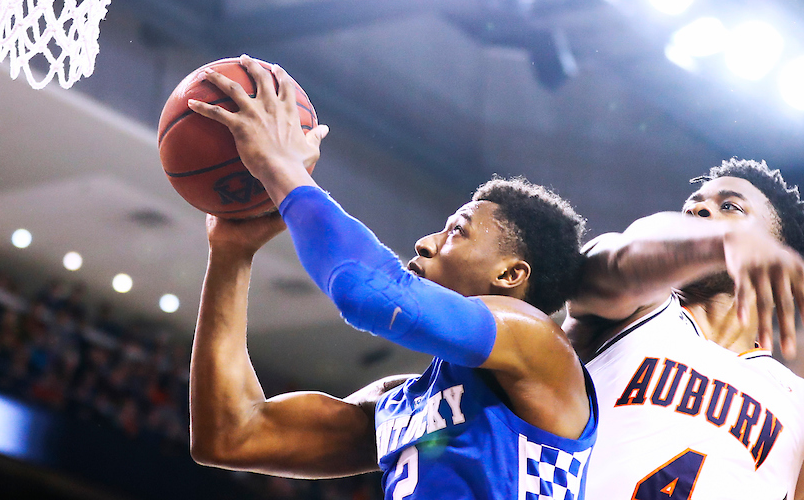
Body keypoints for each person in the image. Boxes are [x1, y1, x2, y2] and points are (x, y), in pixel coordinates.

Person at [188, 56, 597, 499]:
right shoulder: (405, 402)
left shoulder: (538, 344)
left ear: (510, 274)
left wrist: (279, 166)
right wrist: (232, 254)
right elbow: (232, 435)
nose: (426, 242)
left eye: (457, 230)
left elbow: (369, 293)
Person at [566, 158, 804, 499]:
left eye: (730, 207)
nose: (699, 210)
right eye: (691, 207)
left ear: (783, 255)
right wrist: (721, 240)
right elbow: (615, 257)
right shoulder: (639, 309)